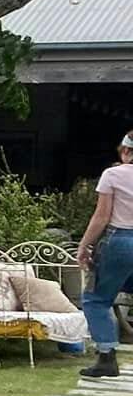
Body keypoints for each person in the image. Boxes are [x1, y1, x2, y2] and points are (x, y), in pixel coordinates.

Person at [75, 131, 133, 379]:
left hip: (120, 240)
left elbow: (101, 216)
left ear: (126, 151)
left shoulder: (113, 174)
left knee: (95, 299)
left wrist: (84, 245)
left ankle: (107, 357)